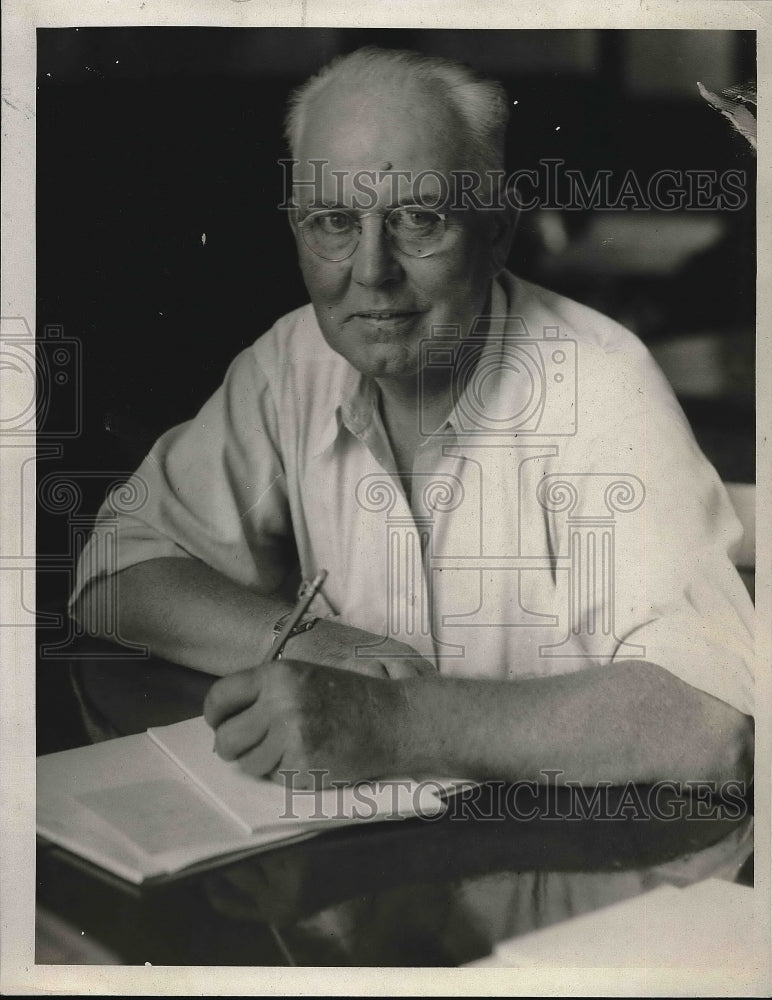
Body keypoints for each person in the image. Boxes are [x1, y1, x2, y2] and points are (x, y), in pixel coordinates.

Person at [70, 47, 754, 790]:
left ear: (496, 232)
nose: (371, 270)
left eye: (420, 219)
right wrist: (309, 643)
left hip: (574, 871)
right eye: (333, 220)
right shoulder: (291, 360)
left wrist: (394, 722)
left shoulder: (601, 382)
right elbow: (112, 572)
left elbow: (714, 722)